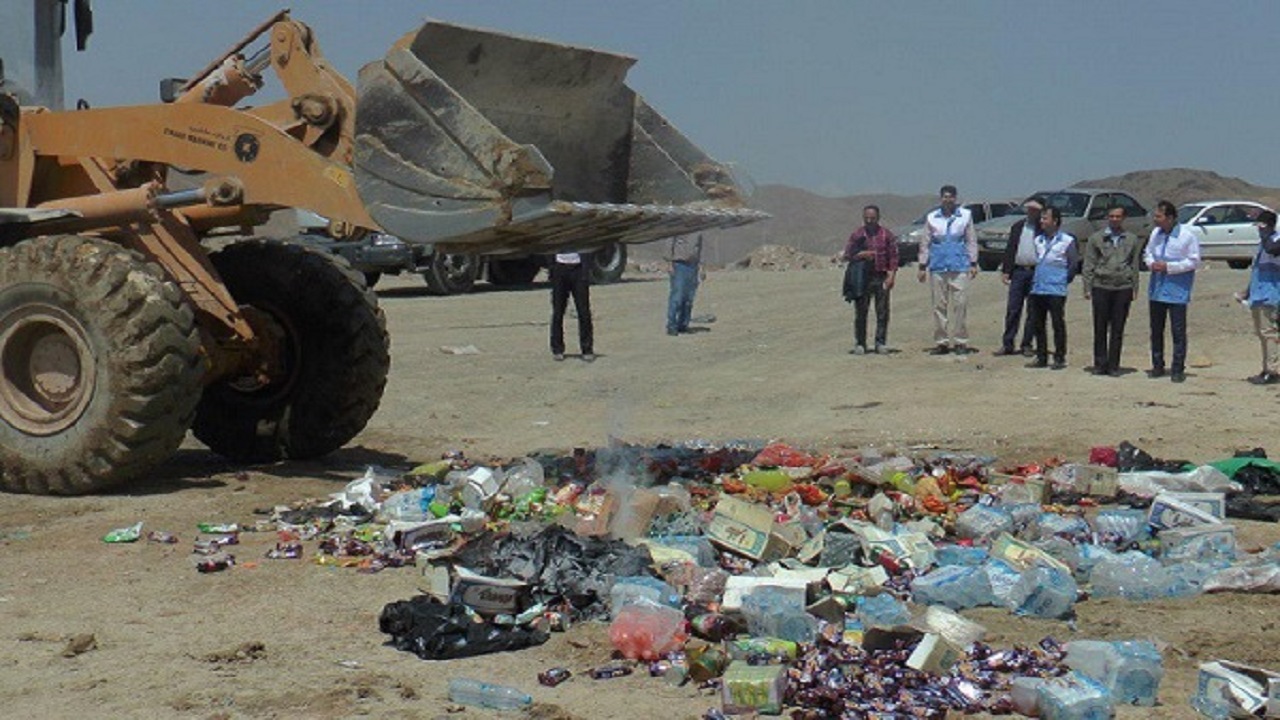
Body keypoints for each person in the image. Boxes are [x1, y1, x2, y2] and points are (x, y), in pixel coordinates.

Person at [917, 185, 978, 354]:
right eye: (945, 196)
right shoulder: (932, 218)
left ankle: (960, 341)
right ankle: (942, 341)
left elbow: (970, 240)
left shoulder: (965, 216)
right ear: (940, 198)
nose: (948, 199)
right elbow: (925, 243)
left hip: (959, 266)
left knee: (960, 305)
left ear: (956, 198)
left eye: (951, 196)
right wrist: (922, 265)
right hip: (938, 266)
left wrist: (973, 262)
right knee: (939, 306)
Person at [1144, 200, 1201, 383]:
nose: (1155, 220)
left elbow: (1194, 261)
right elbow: (1148, 252)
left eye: (1159, 216)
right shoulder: (1155, 234)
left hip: (1177, 289)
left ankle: (1177, 368)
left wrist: (1169, 267)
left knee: (1177, 331)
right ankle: (1157, 365)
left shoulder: (1187, 236)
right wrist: (1151, 263)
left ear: (1169, 217)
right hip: (1157, 288)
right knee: (1156, 329)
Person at [1082, 206, 1142, 376]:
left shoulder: (1132, 239)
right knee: (1100, 327)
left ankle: (1114, 365)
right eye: (1111, 216)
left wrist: (1135, 287)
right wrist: (1087, 287)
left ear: (1124, 218)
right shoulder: (1096, 238)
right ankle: (1100, 364)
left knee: (1118, 328)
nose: (1114, 219)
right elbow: (1089, 264)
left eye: (1118, 216)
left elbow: (1134, 264)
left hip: (1122, 287)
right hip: (1101, 286)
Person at [840, 204, 899, 354]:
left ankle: (880, 342)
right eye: (866, 218)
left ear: (878, 218)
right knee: (861, 312)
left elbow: (893, 257)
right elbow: (847, 255)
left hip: (881, 276)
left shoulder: (887, 235)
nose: (869, 221)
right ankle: (860, 343)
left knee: (882, 311)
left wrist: (891, 276)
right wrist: (861, 254)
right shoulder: (857, 235)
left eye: (872, 218)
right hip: (861, 278)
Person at [1026, 206, 1078, 370]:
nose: (1042, 221)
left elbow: (1072, 264)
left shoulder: (1067, 240)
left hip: (1056, 288)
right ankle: (1041, 356)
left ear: (1055, 221)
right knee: (1038, 323)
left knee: (1057, 323)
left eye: (1045, 218)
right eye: (1041, 218)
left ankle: (1059, 356)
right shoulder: (1038, 240)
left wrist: (1063, 280)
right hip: (1038, 287)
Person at [995, 196, 1047, 357]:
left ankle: (1027, 344)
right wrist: (1006, 270)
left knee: (1033, 310)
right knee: (1013, 309)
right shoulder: (1018, 227)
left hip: (1036, 272)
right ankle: (1008, 343)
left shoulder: (1043, 229)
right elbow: (1011, 248)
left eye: (1035, 210)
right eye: (1029, 209)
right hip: (1018, 272)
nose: (1031, 212)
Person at [1239, 209, 1280, 385]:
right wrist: (1247, 291)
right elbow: (1256, 269)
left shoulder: (1275, 241)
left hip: (1271, 294)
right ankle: (1266, 368)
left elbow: (1273, 249)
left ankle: (1273, 371)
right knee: (1262, 333)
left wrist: (1266, 233)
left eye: (1261, 226)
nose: (1258, 230)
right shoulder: (1261, 245)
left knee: (1270, 333)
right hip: (1258, 293)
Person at [549, 250, 594, 361]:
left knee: (583, 311)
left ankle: (587, 349)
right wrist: (552, 266)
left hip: (579, 268)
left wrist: (587, 266)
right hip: (559, 268)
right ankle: (557, 349)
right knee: (558, 312)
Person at [665, 234, 704, 336]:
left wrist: (701, 267)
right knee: (677, 296)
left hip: (693, 266)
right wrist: (669, 263)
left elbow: (700, 249)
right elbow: (669, 243)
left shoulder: (698, 230)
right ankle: (672, 325)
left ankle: (683, 325)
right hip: (679, 264)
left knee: (688, 298)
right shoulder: (678, 226)